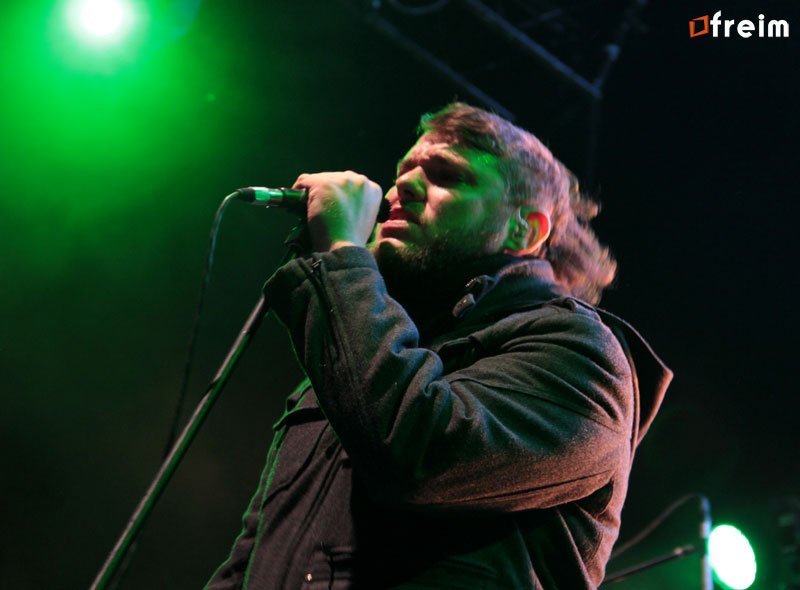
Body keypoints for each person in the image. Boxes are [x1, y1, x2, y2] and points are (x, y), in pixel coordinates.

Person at [205, 102, 671, 589]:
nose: (402, 186)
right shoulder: (361, 352)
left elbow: (417, 456)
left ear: (524, 229)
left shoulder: (582, 354)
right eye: (402, 172)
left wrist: (341, 254)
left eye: (447, 175)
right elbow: (256, 553)